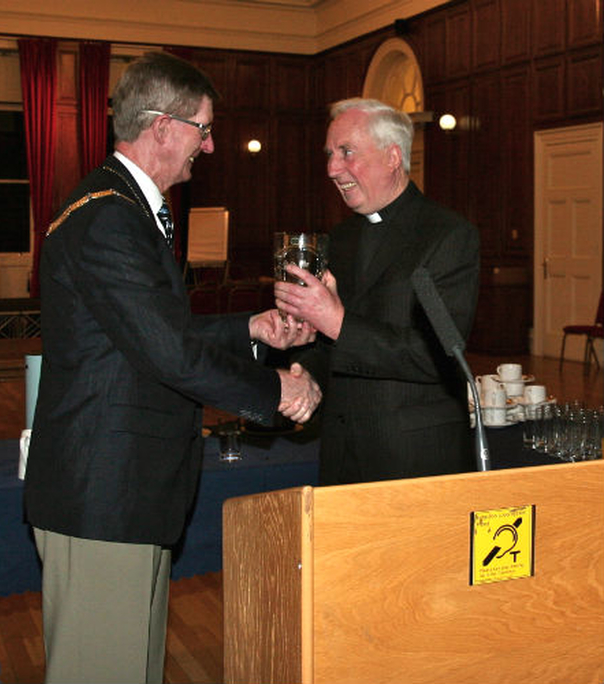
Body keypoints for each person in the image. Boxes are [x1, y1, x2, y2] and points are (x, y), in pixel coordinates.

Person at [24, 51, 320, 684]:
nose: (209, 148)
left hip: (126, 491)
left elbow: (151, 334)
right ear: (162, 126)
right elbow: (167, 353)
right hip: (105, 494)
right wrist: (277, 390)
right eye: (203, 130)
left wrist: (250, 328)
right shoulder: (110, 217)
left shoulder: (120, 206)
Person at [274, 97, 479, 485]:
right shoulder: (340, 238)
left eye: (346, 152)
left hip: (415, 460)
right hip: (341, 453)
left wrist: (335, 321)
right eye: (330, 154)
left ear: (392, 157)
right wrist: (308, 376)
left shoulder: (448, 235)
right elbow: (331, 348)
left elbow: (435, 357)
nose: (333, 168)